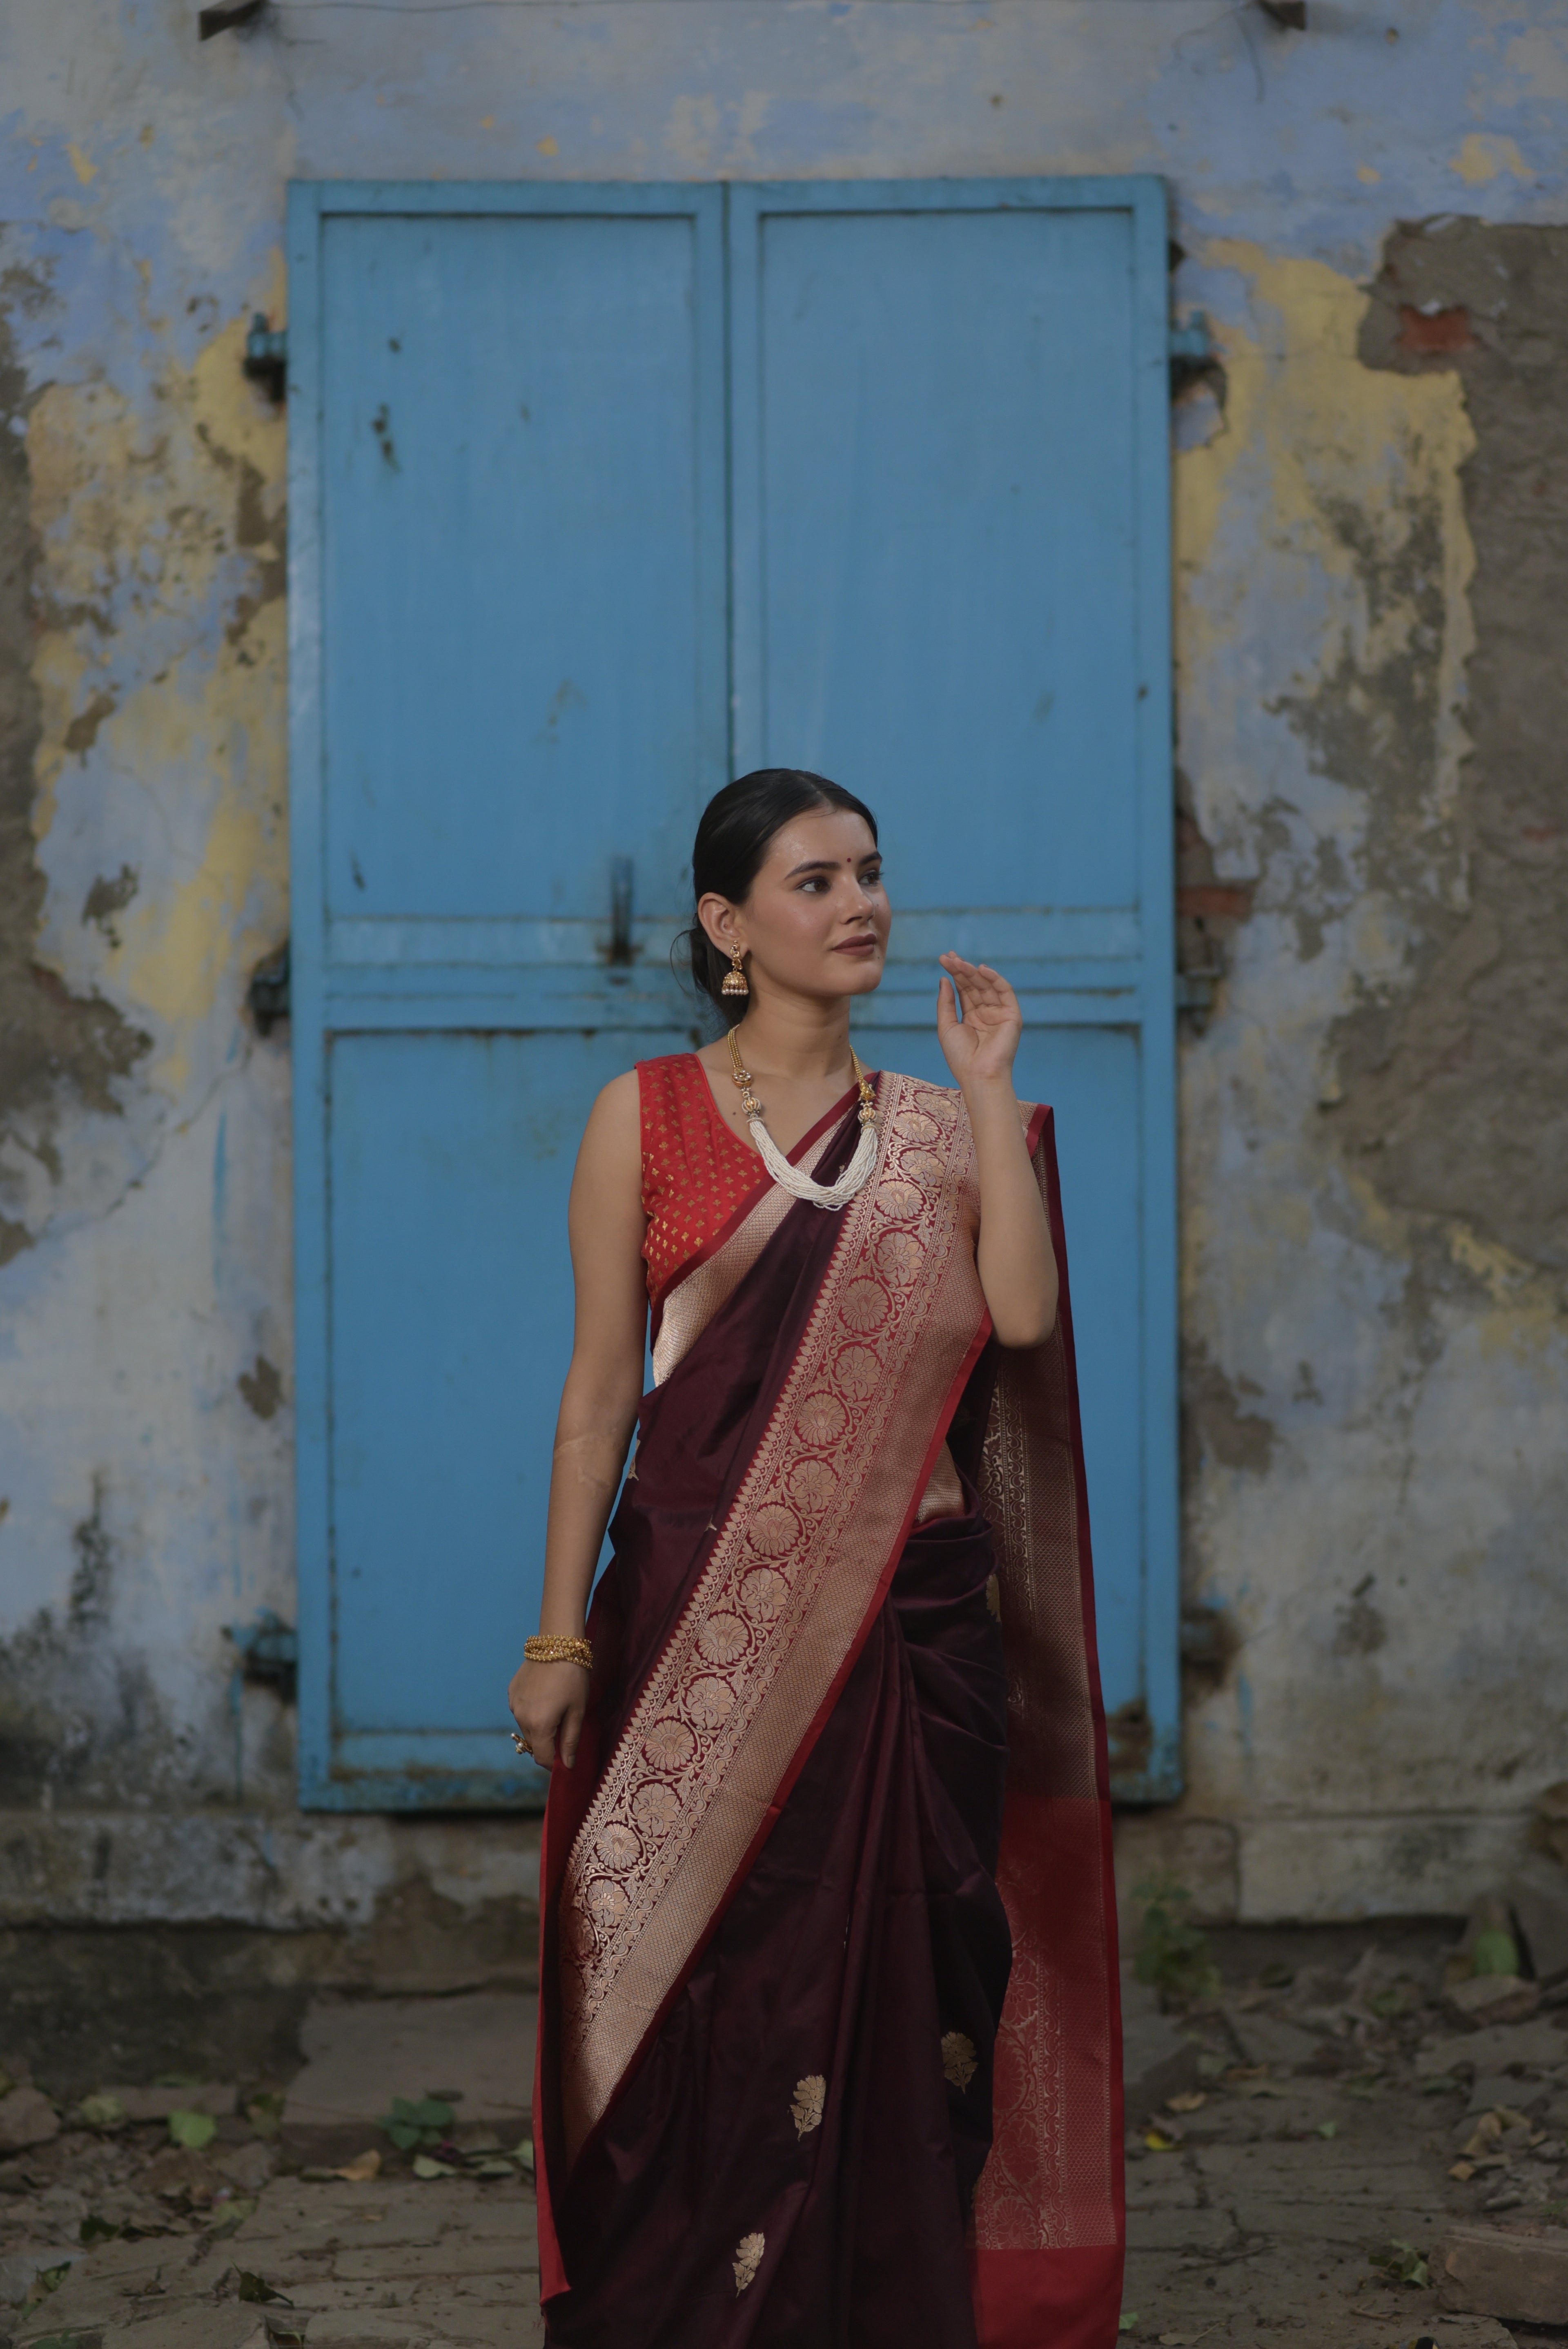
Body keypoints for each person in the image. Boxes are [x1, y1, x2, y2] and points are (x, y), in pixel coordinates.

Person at [508, 769, 1123, 2349]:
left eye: (869, 873)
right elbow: (597, 1398)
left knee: (903, 1989)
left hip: (907, 1636)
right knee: (691, 1986)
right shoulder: (642, 1116)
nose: (860, 904)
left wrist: (985, 1083)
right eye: (814, 882)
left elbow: (1026, 1318)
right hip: (684, 1637)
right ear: (727, 926)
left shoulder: (932, 1135)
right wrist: (558, 1636)